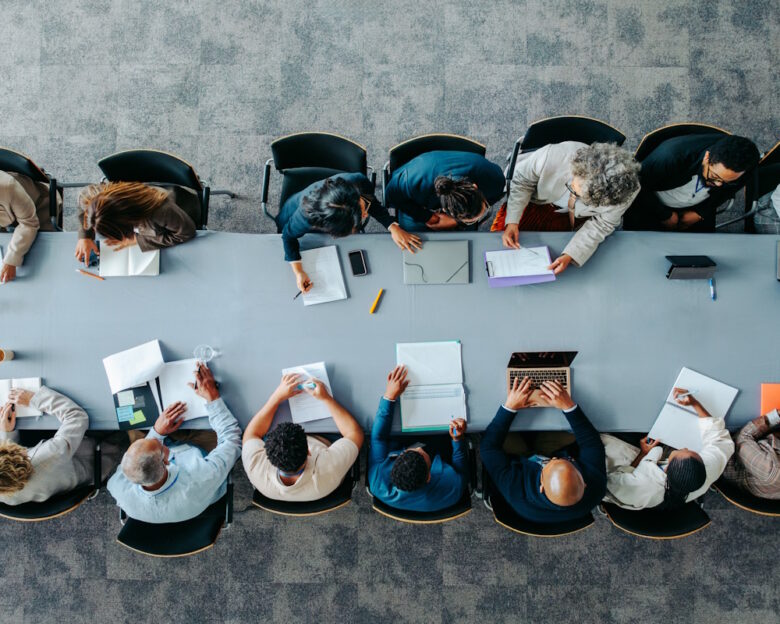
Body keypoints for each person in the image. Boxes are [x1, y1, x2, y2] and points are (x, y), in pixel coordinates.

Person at [107, 363, 241, 523]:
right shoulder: (201, 476)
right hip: (199, 457)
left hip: (171, 479)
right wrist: (212, 398)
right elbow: (232, 439)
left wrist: (156, 432)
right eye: (158, 444)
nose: (160, 441)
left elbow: (149, 451)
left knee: (135, 424)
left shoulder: (117, 485)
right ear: (166, 461)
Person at [501, 142, 640, 274]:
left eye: (578, 194)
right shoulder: (551, 157)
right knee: (501, 242)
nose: (572, 190)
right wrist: (512, 220)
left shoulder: (625, 193)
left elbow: (603, 224)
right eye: (573, 186)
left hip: (576, 216)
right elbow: (521, 182)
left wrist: (570, 255)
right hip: (535, 200)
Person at [480, 377, 606, 523]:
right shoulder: (596, 489)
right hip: (552, 449)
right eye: (562, 461)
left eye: (548, 464)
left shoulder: (517, 492)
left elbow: (488, 449)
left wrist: (509, 408)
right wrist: (569, 407)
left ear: (541, 487)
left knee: (490, 431)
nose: (552, 459)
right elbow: (592, 444)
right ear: (583, 483)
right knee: (568, 431)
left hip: (521, 461)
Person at [277, 172, 421, 294]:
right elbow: (288, 236)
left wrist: (392, 226)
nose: (366, 215)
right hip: (294, 216)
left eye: (363, 208)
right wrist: (298, 272)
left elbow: (373, 204)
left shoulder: (359, 181)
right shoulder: (305, 216)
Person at [600, 388, 734, 510]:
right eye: (691, 451)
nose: (685, 447)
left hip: (625, 479)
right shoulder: (710, 466)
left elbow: (612, 479)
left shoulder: (639, 487)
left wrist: (643, 454)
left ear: (667, 467)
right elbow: (719, 439)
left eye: (681, 451)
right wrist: (695, 404)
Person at [242, 374, 363, 501]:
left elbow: (251, 434)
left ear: (269, 455)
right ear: (309, 451)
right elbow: (355, 433)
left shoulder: (255, 468)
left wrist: (276, 397)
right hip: (324, 437)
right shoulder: (329, 467)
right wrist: (327, 399)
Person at [368, 365, 469, 511]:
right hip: (439, 451)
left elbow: (377, 438)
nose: (419, 448)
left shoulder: (378, 481)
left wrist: (389, 397)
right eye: (422, 453)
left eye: (410, 451)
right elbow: (461, 466)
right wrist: (457, 439)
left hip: (402, 444)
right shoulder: (453, 487)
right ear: (429, 476)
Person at [625, 134, 760, 231]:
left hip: (702, 204)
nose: (719, 185)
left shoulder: (745, 168)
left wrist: (700, 213)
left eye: (726, 181)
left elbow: (726, 191)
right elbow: (636, 184)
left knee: (701, 254)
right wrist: (664, 215)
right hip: (652, 202)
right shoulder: (670, 157)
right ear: (707, 158)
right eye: (714, 176)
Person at [0, 386, 93, 504]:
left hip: (54, 480)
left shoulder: (4, 490)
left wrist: (6, 433)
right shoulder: (51, 454)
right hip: (93, 453)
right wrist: (34, 399)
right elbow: (77, 416)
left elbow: (7, 468)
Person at [74, 181, 199, 265]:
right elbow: (82, 201)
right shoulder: (97, 197)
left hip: (181, 213)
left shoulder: (161, 211)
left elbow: (186, 233)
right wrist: (85, 236)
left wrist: (137, 240)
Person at [384, 150, 505, 231]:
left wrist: (457, 222)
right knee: (414, 237)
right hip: (415, 195)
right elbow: (391, 196)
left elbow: (495, 196)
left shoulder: (495, 180)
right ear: (446, 209)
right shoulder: (410, 181)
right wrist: (427, 217)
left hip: (447, 209)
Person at [0, 168, 61, 283]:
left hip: (39, 208)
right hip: (9, 220)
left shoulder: (7, 186)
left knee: (45, 269)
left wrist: (11, 260)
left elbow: (29, 223)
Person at [720, 408, 780, 499]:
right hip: (760, 450)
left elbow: (742, 437)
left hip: (730, 457)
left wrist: (775, 416)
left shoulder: (772, 469)